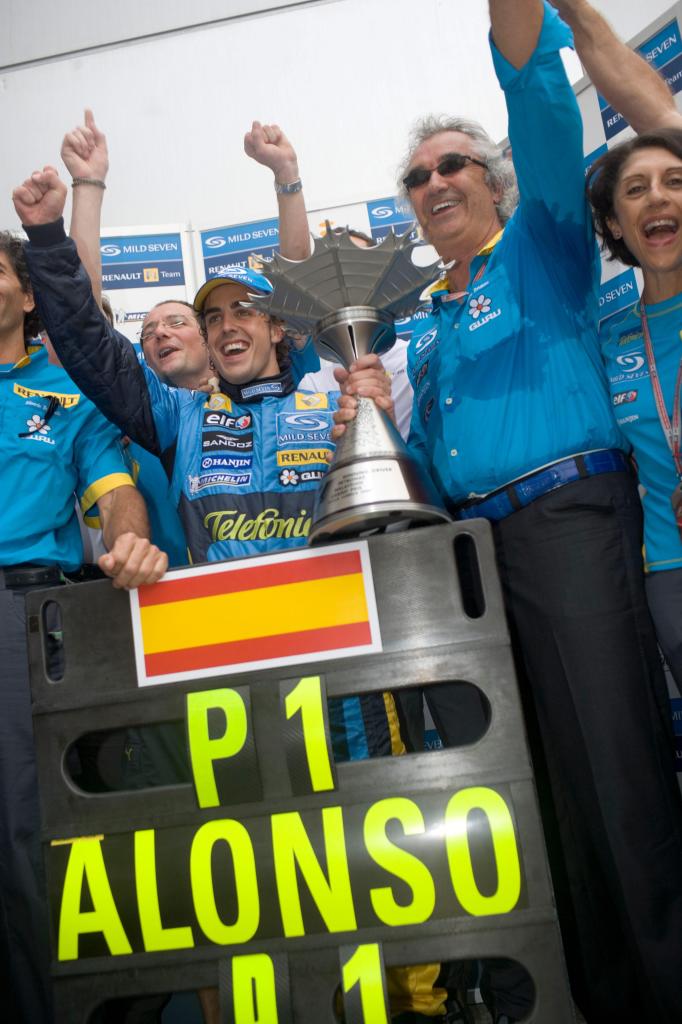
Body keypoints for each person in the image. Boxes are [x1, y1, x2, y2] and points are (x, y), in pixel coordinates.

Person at [335, 3, 682, 1022]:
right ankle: (606, 999)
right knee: (541, 793)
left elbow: (534, 89)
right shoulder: (424, 326)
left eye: (454, 166)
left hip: (570, 524)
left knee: (617, 776)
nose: (435, 183)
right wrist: (378, 422)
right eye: (418, 176)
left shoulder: (544, 240)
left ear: (494, 182)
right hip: (473, 558)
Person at [0, 227, 167, 1023]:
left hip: (24, 617)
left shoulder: (68, 395)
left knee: (30, 832)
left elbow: (113, 492)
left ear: (29, 297)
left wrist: (129, 538)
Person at [551, 1, 682, 691]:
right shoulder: (611, 338)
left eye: (675, 182)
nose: (657, 198)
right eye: (635, 190)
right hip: (671, 573)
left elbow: (659, 115)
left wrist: (573, 10)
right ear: (616, 224)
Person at [244, 120, 416, 438]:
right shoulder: (314, 379)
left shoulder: (415, 359)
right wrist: (286, 174)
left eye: (359, 270)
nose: (348, 285)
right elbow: (297, 265)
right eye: (336, 278)